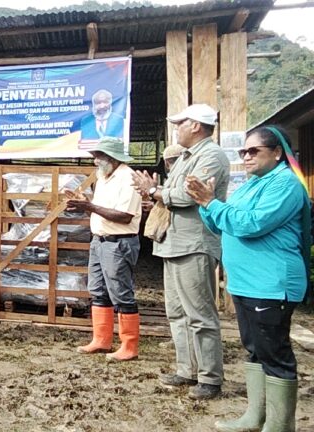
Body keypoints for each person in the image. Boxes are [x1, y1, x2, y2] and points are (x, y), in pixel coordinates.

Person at [185, 126, 310, 432]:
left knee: (274, 353)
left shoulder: (285, 184)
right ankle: (255, 416)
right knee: (254, 348)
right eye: (243, 151)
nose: (246, 156)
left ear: (277, 153)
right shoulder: (250, 185)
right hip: (245, 283)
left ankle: (279, 425)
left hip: (271, 284)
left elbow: (251, 224)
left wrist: (212, 203)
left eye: (254, 151)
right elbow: (223, 223)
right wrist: (206, 204)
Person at [131, 103, 230, 400]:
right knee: (177, 312)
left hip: (194, 244)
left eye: (180, 123)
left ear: (196, 126)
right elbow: (171, 196)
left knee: (200, 313)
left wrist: (155, 192)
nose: (176, 128)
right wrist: (157, 195)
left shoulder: (211, 155)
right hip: (173, 243)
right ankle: (187, 370)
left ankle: (210, 377)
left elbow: (188, 197)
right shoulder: (187, 157)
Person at [67, 137, 142, 362]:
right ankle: (101, 339)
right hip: (99, 240)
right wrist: (86, 203)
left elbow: (124, 215)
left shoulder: (129, 178)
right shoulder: (104, 178)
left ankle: (129, 346)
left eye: (99, 156)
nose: (95, 161)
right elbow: (103, 210)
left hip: (119, 242)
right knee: (97, 290)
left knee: (121, 292)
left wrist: (88, 206)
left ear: (112, 157)